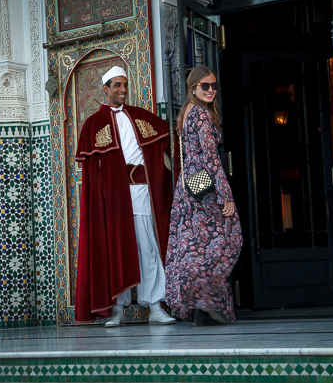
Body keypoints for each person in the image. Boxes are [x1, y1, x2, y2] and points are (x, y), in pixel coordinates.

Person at [74, 65, 176, 327]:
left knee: (147, 246)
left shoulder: (141, 117)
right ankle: (116, 309)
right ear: (105, 89)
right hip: (113, 198)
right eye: (116, 85)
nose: (122, 90)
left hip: (141, 192)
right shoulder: (93, 124)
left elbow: (164, 142)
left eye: (124, 85)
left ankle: (155, 306)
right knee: (115, 249)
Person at [164, 66, 243, 326]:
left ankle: (201, 306)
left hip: (188, 190)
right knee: (229, 239)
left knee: (197, 247)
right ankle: (205, 300)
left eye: (214, 86)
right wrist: (226, 196)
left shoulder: (187, 112)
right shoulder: (200, 115)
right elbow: (211, 160)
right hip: (205, 190)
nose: (210, 90)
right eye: (205, 86)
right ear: (193, 88)